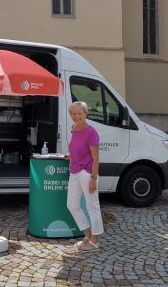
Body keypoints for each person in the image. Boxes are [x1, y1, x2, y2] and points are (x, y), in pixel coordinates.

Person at [66, 101, 104, 251]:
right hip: (74, 170)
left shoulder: (91, 132)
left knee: (92, 206)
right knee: (72, 205)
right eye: (73, 114)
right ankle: (87, 234)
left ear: (86, 114)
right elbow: (77, 148)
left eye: (79, 113)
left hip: (88, 173)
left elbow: (96, 157)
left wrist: (93, 179)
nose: (76, 116)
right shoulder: (73, 128)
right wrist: (70, 156)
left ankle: (95, 240)